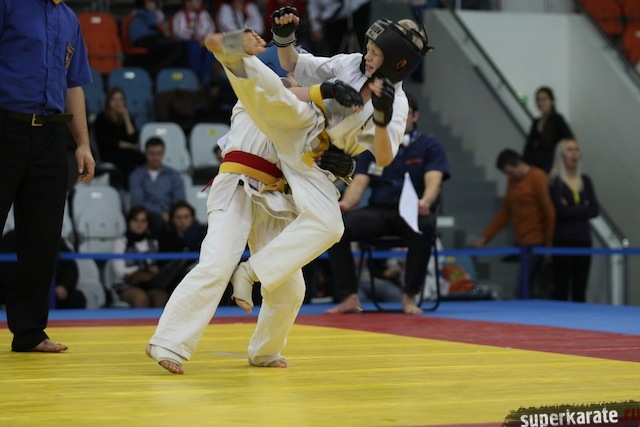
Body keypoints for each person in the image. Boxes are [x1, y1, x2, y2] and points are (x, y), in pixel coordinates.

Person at [145, 24, 406, 373]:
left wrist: (342, 160)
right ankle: (168, 342)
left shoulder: (304, 115)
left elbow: (324, 135)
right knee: (217, 264)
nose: (292, 79)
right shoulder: (265, 96)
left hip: (277, 197)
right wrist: (238, 44)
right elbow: (228, 53)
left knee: (290, 288)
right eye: (287, 76)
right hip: (237, 187)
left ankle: (265, 351)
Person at [225, 9, 431, 314]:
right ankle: (228, 48)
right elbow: (293, 64)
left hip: (313, 164)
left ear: (398, 63)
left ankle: (250, 271)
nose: (368, 55)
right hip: (294, 130)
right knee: (275, 88)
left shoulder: (397, 105)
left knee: (331, 227)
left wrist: (382, 117)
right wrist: (284, 39)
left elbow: (384, 157)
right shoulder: (351, 63)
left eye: (376, 53)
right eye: (369, 48)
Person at [0, 0, 95, 353]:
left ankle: (29, 331)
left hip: (51, 136)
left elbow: (74, 85)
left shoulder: (70, 19)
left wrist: (82, 143)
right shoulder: (9, 4)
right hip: (5, 125)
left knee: (43, 239)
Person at [327, 93, 450, 315]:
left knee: (425, 226)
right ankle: (349, 296)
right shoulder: (373, 145)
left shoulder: (430, 146)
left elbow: (434, 181)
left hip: (412, 211)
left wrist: (425, 201)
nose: (398, 119)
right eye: (393, 114)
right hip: (379, 212)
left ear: (415, 116)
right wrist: (344, 204)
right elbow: (359, 183)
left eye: (404, 114)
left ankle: (409, 296)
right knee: (338, 229)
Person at [475, 149, 555, 299]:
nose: (509, 176)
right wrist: (486, 236)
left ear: (517, 164)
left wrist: (549, 243)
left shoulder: (538, 177)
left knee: (523, 287)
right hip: (522, 241)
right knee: (526, 285)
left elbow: (548, 211)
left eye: (510, 172)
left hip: (536, 240)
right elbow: (505, 212)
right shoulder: (513, 182)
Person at [548, 138, 599, 302]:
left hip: (583, 239)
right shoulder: (555, 182)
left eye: (576, 150)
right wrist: (583, 208)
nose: (574, 154)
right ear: (561, 155)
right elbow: (562, 211)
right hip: (564, 238)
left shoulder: (585, 180)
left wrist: (572, 208)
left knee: (580, 287)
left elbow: (594, 210)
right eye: (570, 150)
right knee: (561, 286)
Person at [111, 206, 169, 308]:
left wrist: (153, 272)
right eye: (135, 220)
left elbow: (156, 267)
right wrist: (142, 272)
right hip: (125, 285)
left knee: (161, 296)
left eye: (143, 221)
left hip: (149, 284)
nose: (139, 224)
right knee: (141, 298)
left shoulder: (153, 243)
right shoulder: (121, 242)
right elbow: (120, 272)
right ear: (129, 221)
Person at [129, 137, 187, 236]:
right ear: (146, 154)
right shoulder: (136, 176)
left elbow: (179, 201)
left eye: (159, 153)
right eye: (152, 153)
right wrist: (161, 213)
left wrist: (170, 214)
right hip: (147, 218)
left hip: (171, 217)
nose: (155, 157)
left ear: (163, 154)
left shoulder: (174, 175)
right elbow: (138, 203)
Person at [93, 87, 146, 186]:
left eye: (121, 99)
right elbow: (105, 141)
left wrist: (126, 118)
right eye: (114, 99)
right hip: (109, 152)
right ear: (108, 102)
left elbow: (133, 139)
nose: (118, 102)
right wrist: (128, 145)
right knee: (127, 161)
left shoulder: (127, 118)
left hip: (127, 151)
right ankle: (130, 187)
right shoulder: (102, 118)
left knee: (144, 159)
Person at [157, 201, 207, 293]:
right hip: (170, 284)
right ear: (172, 219)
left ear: (192, 218)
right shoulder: (165, 238)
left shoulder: (203, 237)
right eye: (179, 217)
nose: (182, 221)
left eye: (186, 217)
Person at [523, 86, 574, 173]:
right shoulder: (536, 122)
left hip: (553, 165)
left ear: (551, 101)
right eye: (538, 100)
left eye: (544, 99)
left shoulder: (557, 119)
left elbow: (569, 139)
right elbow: (529, 144)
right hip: (537, 165)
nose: (541, 102)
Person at [129, 0, 184, 77]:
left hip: (148, 39)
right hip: (145, 39)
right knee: (176, 47)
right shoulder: (145, 12)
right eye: (151, 2)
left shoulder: (138, 14)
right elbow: (157, 26)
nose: (154, 4)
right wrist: (166, 33)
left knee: (174, 47)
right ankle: (154, 73)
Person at [171, 0, 217, 84]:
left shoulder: (203, 14)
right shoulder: (180, 15)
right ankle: (194, 78)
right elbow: (177, 32)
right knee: (194, 47)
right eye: (197, 1)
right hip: (187, 41)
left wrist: (203, 38)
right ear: (188, 2)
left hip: (203, 41)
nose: (200, 2)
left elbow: (210, 28)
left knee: (212, 49)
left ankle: (204, 78)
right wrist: (193, 36)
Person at [306, 0, 371, 55]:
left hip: (357, 9)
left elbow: (338, 6)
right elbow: (313, 4)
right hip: (332, 15)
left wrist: (323, 17)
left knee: (358, 41)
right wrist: (316, 27)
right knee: (335, 47)